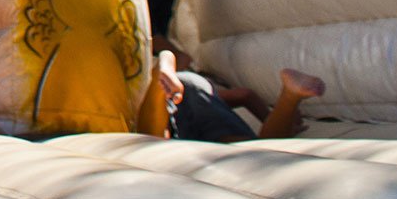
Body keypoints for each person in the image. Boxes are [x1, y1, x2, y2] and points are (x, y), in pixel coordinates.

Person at [139, 50, 326, 142]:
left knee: (151, 141)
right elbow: (245, 95)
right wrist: (277, 121)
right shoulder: (200, 92)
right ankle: (290, 96)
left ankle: (165, 63)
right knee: (253, 150)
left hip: (168, 102)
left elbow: (244, 95)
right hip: (189, 86)